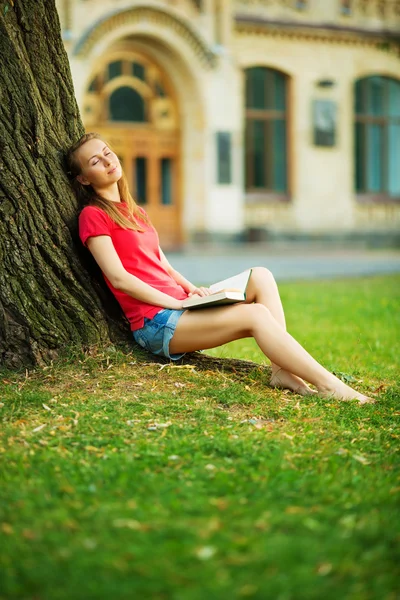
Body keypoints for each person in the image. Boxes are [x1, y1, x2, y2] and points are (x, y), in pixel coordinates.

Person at [66, 133, 375, 404]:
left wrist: (190, 289)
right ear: (83, 178)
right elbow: (119, 279)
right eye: (95, 161)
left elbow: (163, 265)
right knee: (255, 315)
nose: (107, 161)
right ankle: (330, 386)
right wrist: (175, 302)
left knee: (261, 276)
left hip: (182, 306)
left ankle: (282, 371)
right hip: (157, 323)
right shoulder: (93, 216)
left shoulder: (136, 212)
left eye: (107, 152)